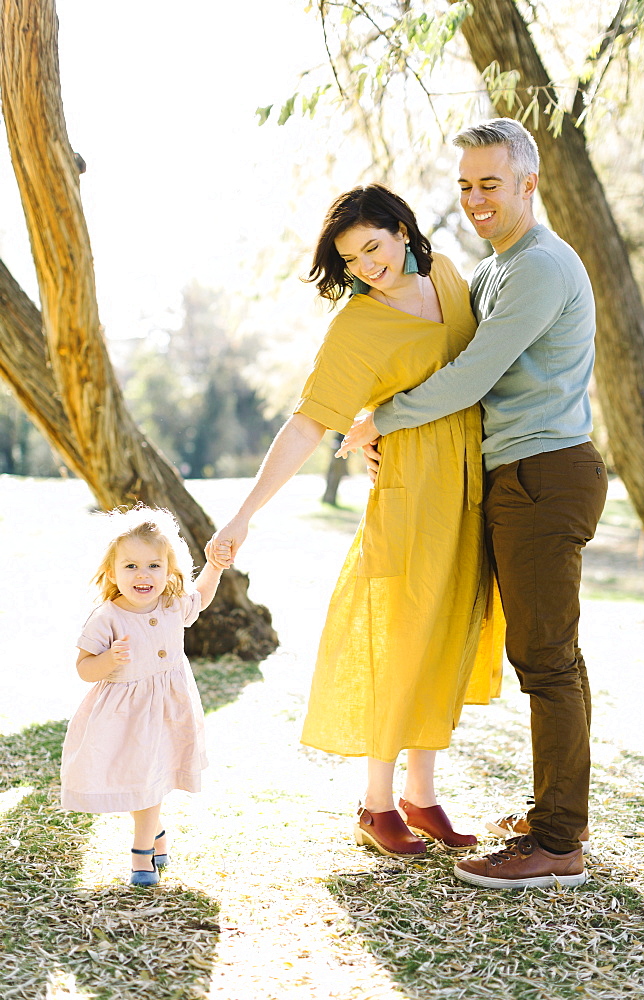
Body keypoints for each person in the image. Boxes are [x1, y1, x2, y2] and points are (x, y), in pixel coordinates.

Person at [338, 119, 608, 888]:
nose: (475, 198)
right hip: (510, 477)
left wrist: (377, 421)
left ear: (528, 184)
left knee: (548, 659)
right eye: (464, 185)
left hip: (543, 475)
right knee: (539, 653)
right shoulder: (494, 269)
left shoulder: (539, 268)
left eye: (491, 183)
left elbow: (472, 378)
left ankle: (559, 842)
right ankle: (551, 810)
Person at [212, 184, 504, 860]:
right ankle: (377, 805)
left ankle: (422, 797)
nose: (367, 266)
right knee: (400, 635)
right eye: (351, 259)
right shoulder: (357, 323)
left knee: (452, 631)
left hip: (474, 486)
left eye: (373, 247)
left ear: (402, 230)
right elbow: (310, 420)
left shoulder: (450, 275)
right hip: (410, 493)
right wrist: (245, 513)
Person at [60, 505, 228, 886]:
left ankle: (143, 850)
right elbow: (84, 669)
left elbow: (199, 598)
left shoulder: (170, 604)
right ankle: (152, 837)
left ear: (169, 569)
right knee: (139, 777)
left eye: (154, 565)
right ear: (112, 572)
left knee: (151, 775)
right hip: (124, 715)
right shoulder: (107, 617)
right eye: (131, 566)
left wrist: (214, 566)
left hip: (168, 708)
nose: (143, 575)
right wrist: (107, 659)